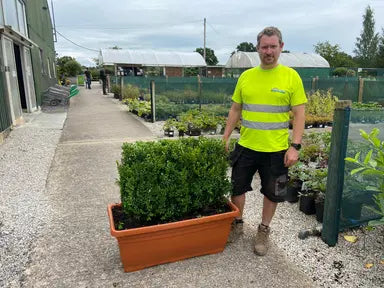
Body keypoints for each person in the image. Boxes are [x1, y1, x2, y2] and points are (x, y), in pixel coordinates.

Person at [223, 27, 307, 256]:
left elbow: (300, 114)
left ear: (281, 46)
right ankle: (237, 223)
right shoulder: (246, 77)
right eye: (264, 47)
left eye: (272, 46)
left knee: (273, 192)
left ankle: (263, 229)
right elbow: (235, 108)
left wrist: (295, 146)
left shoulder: (291, 77)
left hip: (277, 151)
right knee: (237, 187)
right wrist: (226, 135)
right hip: (246, 147)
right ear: (257, 48)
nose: (268, 51)